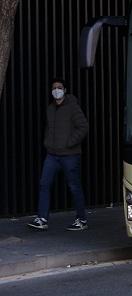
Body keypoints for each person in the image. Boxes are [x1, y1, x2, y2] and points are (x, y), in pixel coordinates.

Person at [27, 78, 89, 231]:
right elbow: (49, 129)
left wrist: (69, 143)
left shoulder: (72, 107)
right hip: (52, 155)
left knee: (74, 187)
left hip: (70, 155)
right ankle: (42, 219)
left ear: (65, 90)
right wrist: (48, 142)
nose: (56, 90)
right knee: (44, 184)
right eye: (54, 88)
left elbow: (83, 127)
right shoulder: (50, 108)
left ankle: (81, 220)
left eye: (59, 87)